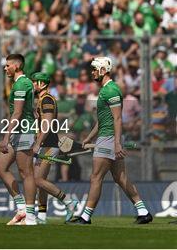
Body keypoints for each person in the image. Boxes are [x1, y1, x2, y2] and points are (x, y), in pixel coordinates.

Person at [72, 57, 152, 225]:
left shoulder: (111, 90)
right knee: (120, 178)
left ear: (103, 70)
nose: (92, 72)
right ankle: (143, 211)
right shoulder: (105, 90)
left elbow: (117, 119)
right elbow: (102, 119)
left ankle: (85, 216)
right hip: (106, 136)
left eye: (94, 69)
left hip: (108, 138)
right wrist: (89, 137)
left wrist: (116, 143)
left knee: (96, 177)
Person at [31, 72, 79, 224]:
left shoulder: (47, 99)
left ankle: (68, 202)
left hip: (49, 144)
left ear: (42, 84)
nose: (32, 84)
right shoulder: (41, 99)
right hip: (44, 144)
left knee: (38, 180)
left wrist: (38, 143)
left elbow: (47, 124)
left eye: (35, 82)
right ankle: (43, 216)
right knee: (40, 180)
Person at [0, 54, 36, 225]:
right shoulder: (19, 83)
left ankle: (31, 216)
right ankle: (21, 209)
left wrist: (6, 137)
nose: (5, 68)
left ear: (17, 66)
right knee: (0, 167)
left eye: (8, 65)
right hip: (18, 132)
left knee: (26, 173)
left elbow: (17, 113)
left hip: (24, 132)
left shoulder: (21, 84)